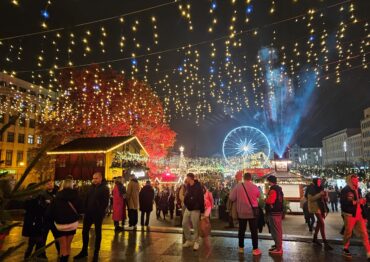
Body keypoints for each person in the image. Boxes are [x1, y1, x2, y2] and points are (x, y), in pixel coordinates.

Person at [74, 172, 110, 261]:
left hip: (97, 214)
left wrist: (100, 211)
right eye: (93, 178)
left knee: (98, 233)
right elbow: (86, 198)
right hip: (88, 213)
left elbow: (105, 203)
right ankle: (84, 250)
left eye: (96, 178)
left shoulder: (104, 188)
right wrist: (84, 210)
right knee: (84, 231)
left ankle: (96, 252)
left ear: (101, 178)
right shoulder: (91, 187)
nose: (94, 180)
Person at [229, 173, 261, 256]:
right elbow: (258, 195)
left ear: (243, 178)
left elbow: (231, 198)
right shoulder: (254, 187)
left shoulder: (238, 186)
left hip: (241, 212)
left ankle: (241, 248)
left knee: (241, 230)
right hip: (252, 212)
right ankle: (255, 249)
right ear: (250, 178)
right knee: (254, 231)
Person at [50, 178, 82, 262]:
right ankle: (67, 258)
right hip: (72, 224)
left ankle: (63, 259)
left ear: (63, 185)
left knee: (62, 246)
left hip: (60, 225)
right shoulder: (77, 196)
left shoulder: (57, 197)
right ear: (72, 185)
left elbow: (51, 211)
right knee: (68, 245)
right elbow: (81, 209)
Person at [340, 174, 370, 258]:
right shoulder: (345, 190)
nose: (356, 181)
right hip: (350, 215)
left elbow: (360, 202)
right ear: (350, 180)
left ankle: (368, 252)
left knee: (364, 233)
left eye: (356, 179)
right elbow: (343, 204)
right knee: (348, 232)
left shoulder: (358, 189)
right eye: (354, 180)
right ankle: (345, 248)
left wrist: (362, 202)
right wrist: (356, 202)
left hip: (359, 214)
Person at [22, 183, 48, 260]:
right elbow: (36, 210)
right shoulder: (30, 199)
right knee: (33, 241)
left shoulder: (38, 198)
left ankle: (32, 255)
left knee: (36, 241)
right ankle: (29, 256)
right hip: (34, 223)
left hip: (37, 222)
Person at [307, 178, 333, 250]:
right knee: (322, 223)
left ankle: (315, 238)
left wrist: (326, 195)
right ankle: (325, 242)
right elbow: (311, 199)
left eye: (320, 181)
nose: (319, 182)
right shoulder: (312, 188)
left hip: (321, 207)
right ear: (315, 181)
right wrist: (320, 194)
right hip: (315, 207)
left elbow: (324, 199)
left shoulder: (321, 188)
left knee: (319, 223)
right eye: (318, 181)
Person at [182, 173, 205, 251]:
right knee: (184, 223)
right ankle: (188, 240)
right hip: (188, 208)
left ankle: (196, 242)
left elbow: (201, 199)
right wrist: (185, 201)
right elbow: (186, 195)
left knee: (195, 226)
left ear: (190, 178)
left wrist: (202, 211)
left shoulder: (198, 186)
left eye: (187, 178)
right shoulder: (188, 186)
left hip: (195, 208)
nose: (186, 179)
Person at [40, 180, 60, 258]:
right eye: (48, 184)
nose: (50, 185)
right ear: (45, 185)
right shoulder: (42, 194)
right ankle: (42, 253)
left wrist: (50, 203)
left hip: (55, 220)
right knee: (43, 238)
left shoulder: (58, 193)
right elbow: (41, 206)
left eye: (51, 183)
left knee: (57, 237)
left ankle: (60, 251)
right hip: (45, 220)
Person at [265, 175, 284, 255]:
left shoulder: (273, 189)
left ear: (270, 181)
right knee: (277, 229)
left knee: (276, 230)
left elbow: (270, 201)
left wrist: (266, 199)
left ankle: (279, 248)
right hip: (278, 211)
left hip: (274, 212)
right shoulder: (279, 188)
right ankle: (277, 245)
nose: (267, 182)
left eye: (268, 181)